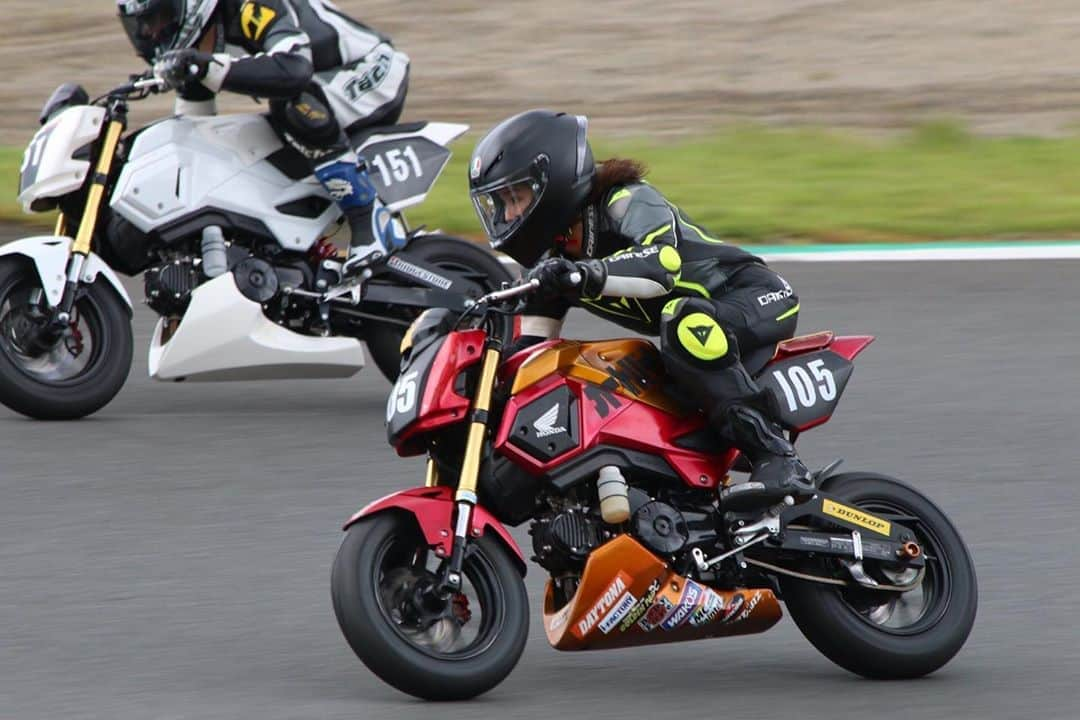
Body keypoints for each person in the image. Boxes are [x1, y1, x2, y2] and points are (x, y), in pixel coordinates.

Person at [467, 110, 813, 511]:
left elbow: (661, 265)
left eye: (516, 197)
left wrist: (584, 273)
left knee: (685, 321)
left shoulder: (624, 200)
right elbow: (531, 351)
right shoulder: (555, 261)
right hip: (687, 338)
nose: (508, 214)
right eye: (502, 202)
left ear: (552, 182)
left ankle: (780, 460)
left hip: (755, 299)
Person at [116, 0, 411, 271]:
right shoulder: (195, 57)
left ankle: (371, 219)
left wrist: (208, 67)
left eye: (159, 18)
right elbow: (191, 130)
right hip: (322, 92)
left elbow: (293, 70)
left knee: (294, 105)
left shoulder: (250, 6)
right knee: (241, 146)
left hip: (373, 70)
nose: (150, 32)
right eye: (141, 25)